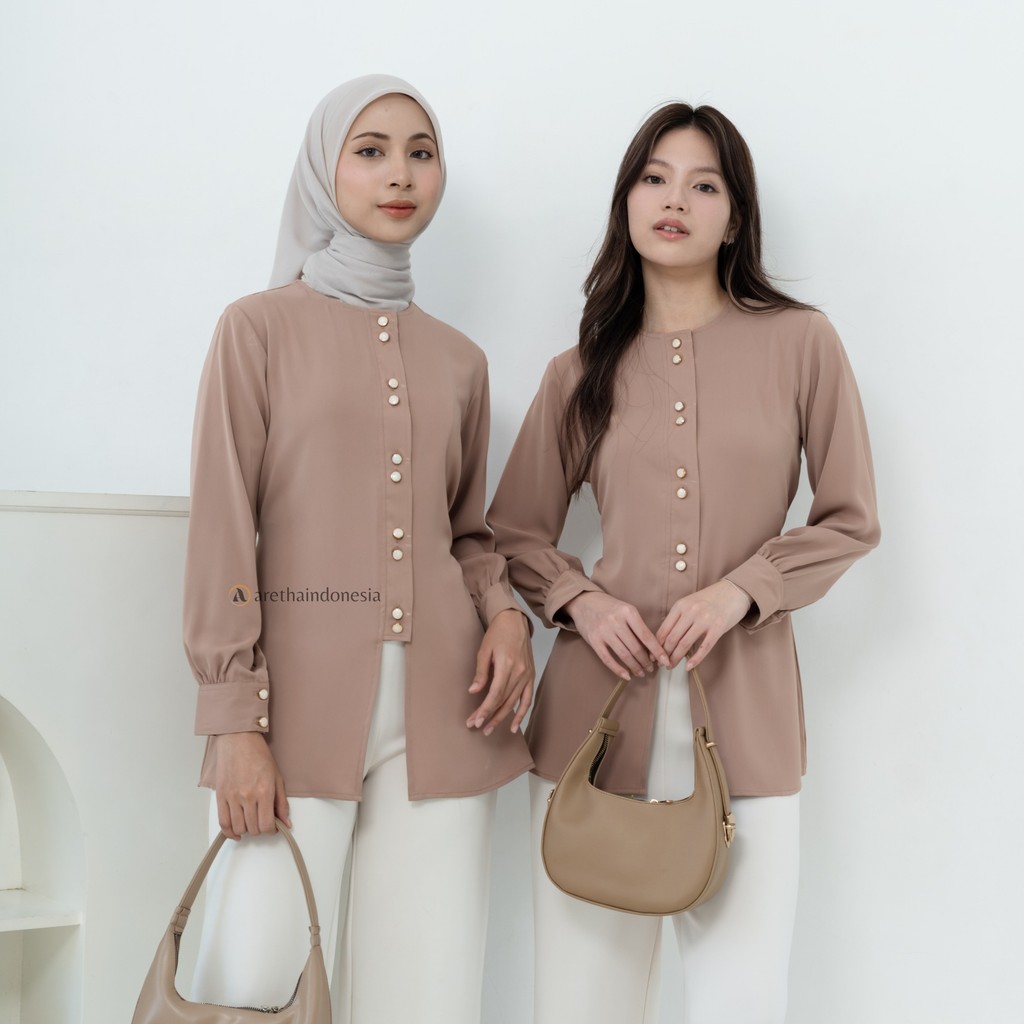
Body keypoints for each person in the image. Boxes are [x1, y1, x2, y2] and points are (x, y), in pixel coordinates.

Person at [487, 102, 879, 1023]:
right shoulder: (578, 371)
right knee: (580, 1008)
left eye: (704, 185)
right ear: (626, 202)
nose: (675, 200)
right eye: (655, 179)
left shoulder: (801, 343)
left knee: (744, 1003)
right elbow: (512, 534)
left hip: (747, 733)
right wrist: (582, 601)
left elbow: (850, 519)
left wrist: (745, 590)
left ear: (734, 218)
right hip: (590, 737)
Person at [182, 75, 534, 1023]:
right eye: (370, 151)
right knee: (251, 987)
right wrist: (234, 724)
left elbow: (466, 534)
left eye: (421, 153)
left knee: (428, 996)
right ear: (322, 168)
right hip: (291, 719)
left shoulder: (460, 360)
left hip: (449, 716)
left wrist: (506, 613)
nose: (400, 174)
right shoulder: (256, 331)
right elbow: (222, 530)